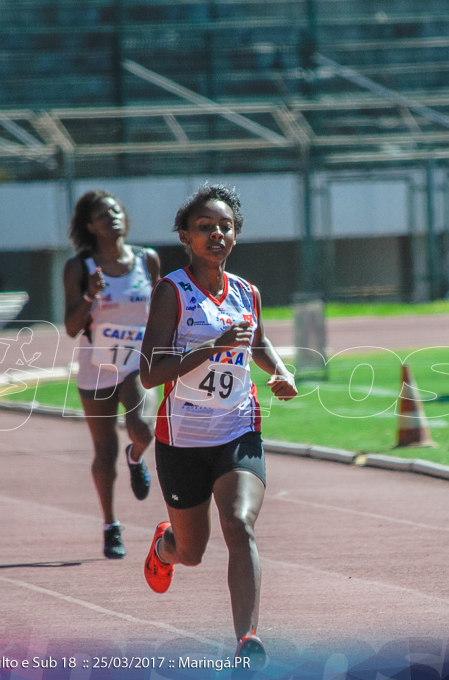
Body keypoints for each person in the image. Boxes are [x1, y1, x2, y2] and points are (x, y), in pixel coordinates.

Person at [139, 183, 296, 670]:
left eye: (225, 226)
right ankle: (164, 547)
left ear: (236, 235)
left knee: (240, 524)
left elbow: (257, 346)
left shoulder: (247, 292)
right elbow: (150, 372)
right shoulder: (172, 292)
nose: (217, 233)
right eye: (205, 227)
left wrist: (282, 371)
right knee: (192, 551)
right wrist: (213, 345)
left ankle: (247, 638)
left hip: (237, 429)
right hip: (182, 439)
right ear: (186, 236)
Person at [62, 189, 161, 559]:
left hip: (136, 361)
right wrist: (89, 296)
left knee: (141, 428)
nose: (112, 217)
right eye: (103, 214)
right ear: (90, 226)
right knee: (104, 452)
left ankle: (136, 458)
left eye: (116, 210)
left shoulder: (146, 260)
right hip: (97, 365)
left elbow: (163, 309)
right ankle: (110, 524)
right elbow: (71, 327)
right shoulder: (79, 267)